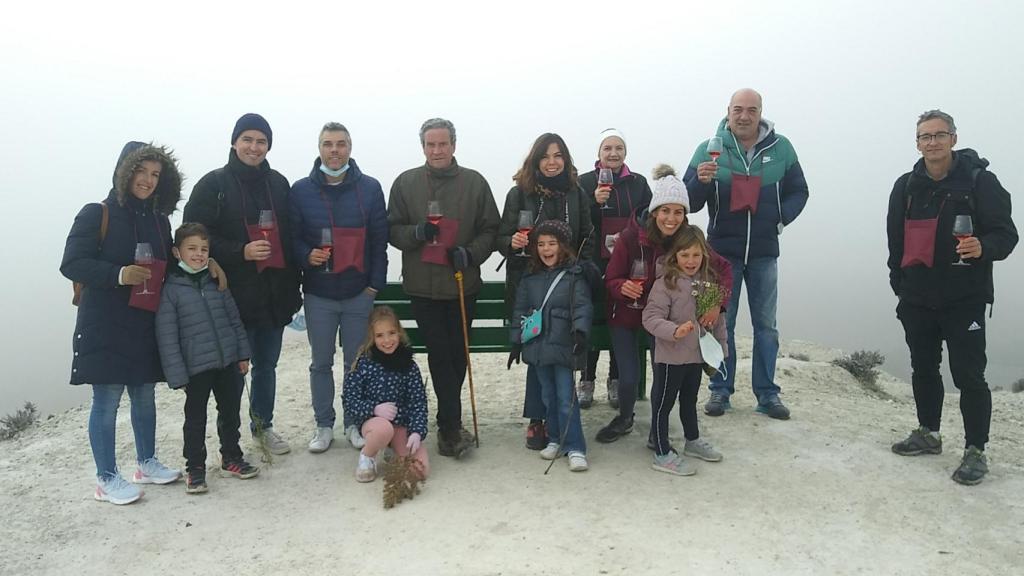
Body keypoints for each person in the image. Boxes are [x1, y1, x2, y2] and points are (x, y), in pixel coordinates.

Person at [886, 109, 1018, 486]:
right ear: (917, 143)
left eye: (939, 135)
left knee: (968, 375)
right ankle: (929, 433)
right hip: (917, 299)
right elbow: (895, 242)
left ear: (953, 139)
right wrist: (900, 285)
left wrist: (984, 246)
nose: (932, 142)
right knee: (924, 369)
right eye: (925, 137)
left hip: (965, 298)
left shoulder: (980, 182)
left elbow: (1006, 235)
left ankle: (976, 450)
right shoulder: (906, 186)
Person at [61, 142, 185, 504]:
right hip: (105, 322)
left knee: (145, 395)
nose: (147, 180)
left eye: (155, 175)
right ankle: (106, 478)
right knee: (107, 400)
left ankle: (146, 463)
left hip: (145, 320)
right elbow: (71, 263)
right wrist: (118, 274)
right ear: (124, 172)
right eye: (141, 171)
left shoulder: (160, 221)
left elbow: (168, 266)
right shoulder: (96, 213)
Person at [683, 88, 809, 420]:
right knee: (716, 321)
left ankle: (768, 394)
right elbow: (690, 201)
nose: (744, 115)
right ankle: (719, 391)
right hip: (719, 254)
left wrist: (780, 217)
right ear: (727, 111)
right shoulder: (709, 148)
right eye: (738, 109)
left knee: (766, 326)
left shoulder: (781, 148)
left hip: (765, 253)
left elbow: (800, 190)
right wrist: (700, 181)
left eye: (751, 110)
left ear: (761, 113)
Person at [184, 113, 302, 456]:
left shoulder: (279, 184)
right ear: (234, 142)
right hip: (230, 299)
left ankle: (262, 427)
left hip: (274, 296)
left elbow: (291, 237)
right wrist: (241, 251)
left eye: (261, 141)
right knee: (232, 374)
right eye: (247, 139)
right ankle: (230, 440)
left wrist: (295, 287)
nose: (254, 147)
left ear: (268, 146)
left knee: (267, 367)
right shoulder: (213, 185)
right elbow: (193, 238)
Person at [387, 118, 500, 457]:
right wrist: (415, 233)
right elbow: (392, 230)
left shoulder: (474, 182)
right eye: (430, 144)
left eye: (443, 144)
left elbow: (490, 230)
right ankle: (451, 427)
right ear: (423, 146)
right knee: (439, 355)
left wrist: (471, 253)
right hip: (422, 287)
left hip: (462, 285)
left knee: (457, 356)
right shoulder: (405, 183)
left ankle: (447, 421)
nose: (437, 150)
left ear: (453, 145)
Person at [598, 165, 732, 444]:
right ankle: (625, 418)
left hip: (665, 319)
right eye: (666, 210)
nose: (671, 219)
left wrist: (715, 304)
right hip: (626, 313)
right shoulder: (631, 236)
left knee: (663, 375)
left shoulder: (688, 239)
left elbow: (722, 269)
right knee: (628, 378)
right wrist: (622, 286)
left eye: (679, 211)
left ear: (685, 214)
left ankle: (655, 434)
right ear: (655, 210)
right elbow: (611, 278)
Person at [290, 122, 388, 454]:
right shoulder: (300, 190)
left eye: (341, 144)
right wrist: (306, 255)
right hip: (319, 293)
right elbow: (293, 239)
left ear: (350, 147)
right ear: (319, 148)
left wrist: (374, 286)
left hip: (358, 293)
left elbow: (379, 241)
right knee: (320, 362)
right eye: (328, 144)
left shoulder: (371, 188)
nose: (335, 150)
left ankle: (354, 423)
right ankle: (323, 424)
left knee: (355, 364)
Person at [496, 133, 593, 449]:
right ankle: (538, 421)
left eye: (558, 156)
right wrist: (512, 242)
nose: (552, 162)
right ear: (535, 160)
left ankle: (558, 426)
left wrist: (577, 268)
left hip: (565, 285)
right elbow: (502, 238)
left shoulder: (576, 194)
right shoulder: (519, 194)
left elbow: (587, 237)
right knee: (537, 350)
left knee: (557, 349)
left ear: (566, 159)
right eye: (546, 156)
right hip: (528, 284)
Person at [155, 223, 258, 493]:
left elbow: (234, 320)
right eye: (192, 249)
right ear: (177, 252)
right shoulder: (171, 290)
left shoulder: (216, 281)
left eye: (204, 249)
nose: (199, 254)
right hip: (195, 367)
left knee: (229, 412)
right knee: (195, 418)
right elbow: (167, 336)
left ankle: (231, 457)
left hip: (227, 361)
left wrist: (242, 353)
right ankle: (196, 469)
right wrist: (177, 376)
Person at [508, 220, 593, 472]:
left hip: (565, 345)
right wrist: (516, 343)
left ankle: (575, 447)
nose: (546, 249)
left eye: (552, 243)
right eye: (541, 244)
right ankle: (556, 438)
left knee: (567, 397)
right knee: (548, 397)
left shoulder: (573, 275)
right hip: (537, 347)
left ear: (563, 246)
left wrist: (580, 333)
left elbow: (582, 306)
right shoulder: (529, 276)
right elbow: (521, 310)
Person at [642, 226, 727, 476]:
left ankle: (692, 441)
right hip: (670, 356)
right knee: (663, 404)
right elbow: (650, 317)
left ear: (704, 256)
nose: (691, 261)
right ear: (675, 256)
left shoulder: (709, 283)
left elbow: (718, 322)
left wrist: (721, 351)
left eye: (696, 255)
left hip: (696, 355)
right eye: (685, 255)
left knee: (689, 401)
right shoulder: (665, 283)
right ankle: (661, 452)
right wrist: (673, 331)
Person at [578, 128, 652, 409]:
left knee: (622, 320)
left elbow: (648, 215)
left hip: (627, 261)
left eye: (618, 148)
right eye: (607, 148)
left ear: (625, 152)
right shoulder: (584, 181)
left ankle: (616, 380)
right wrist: (592, 203)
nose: (613, 153)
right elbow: (576, 216)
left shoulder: (638, 182)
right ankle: (586, 379)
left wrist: (634, 229)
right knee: (593, 317)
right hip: (593, 261)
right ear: (598, 153)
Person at [343, 306, 430, 483]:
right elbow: (349, 401)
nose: (387, 340)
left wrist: (416, 432)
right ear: (372, 337)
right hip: (374, 423)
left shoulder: (409, 365)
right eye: (380, 335)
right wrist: (374, 408)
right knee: (383, 429)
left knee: (420, 471)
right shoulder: (363, 363)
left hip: (400, 424)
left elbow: (418, 402)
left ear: (399, 333)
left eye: (391, 333)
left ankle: (393, 451)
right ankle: (367, 456)